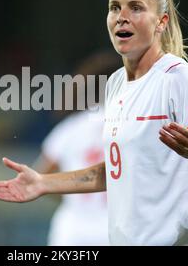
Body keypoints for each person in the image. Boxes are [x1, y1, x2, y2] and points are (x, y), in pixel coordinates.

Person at [0, 0, 188, 246]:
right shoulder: (116, 84)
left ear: (161, 22)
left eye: (136, 7)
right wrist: (43, 182)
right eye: (114, 7)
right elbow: (119, 171)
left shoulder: (178, 79)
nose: (122, 16)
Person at [35, 52, 119, 246]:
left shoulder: (70, 128)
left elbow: (42, 176)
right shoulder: (133, 127)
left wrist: (73, 193)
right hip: (114, 232)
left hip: (72, 232)